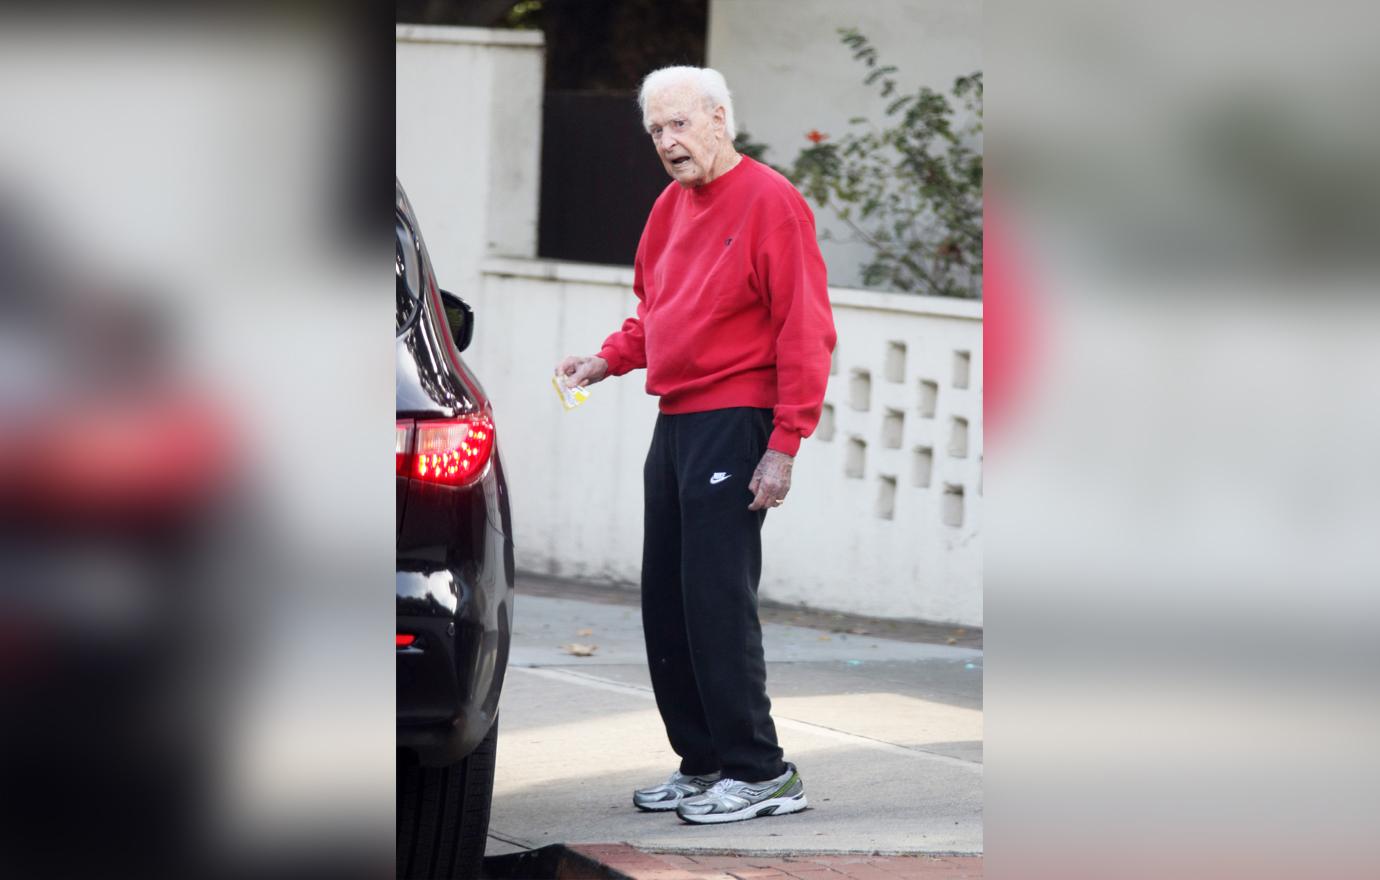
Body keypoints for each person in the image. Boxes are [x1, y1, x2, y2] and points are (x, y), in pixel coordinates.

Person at [555, 66, 836, 825]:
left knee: (716, 599)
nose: (668, 142)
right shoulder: (668, 208)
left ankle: (762, 771)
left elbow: (805, 331)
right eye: (655, 131)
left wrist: (784, 444)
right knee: (669, 604)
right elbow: (657, 313)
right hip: (676, 419)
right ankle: (706, 761)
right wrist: (606, 360)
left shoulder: (774, 203)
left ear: (720, 118)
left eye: (680, 124)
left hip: (737, 417)